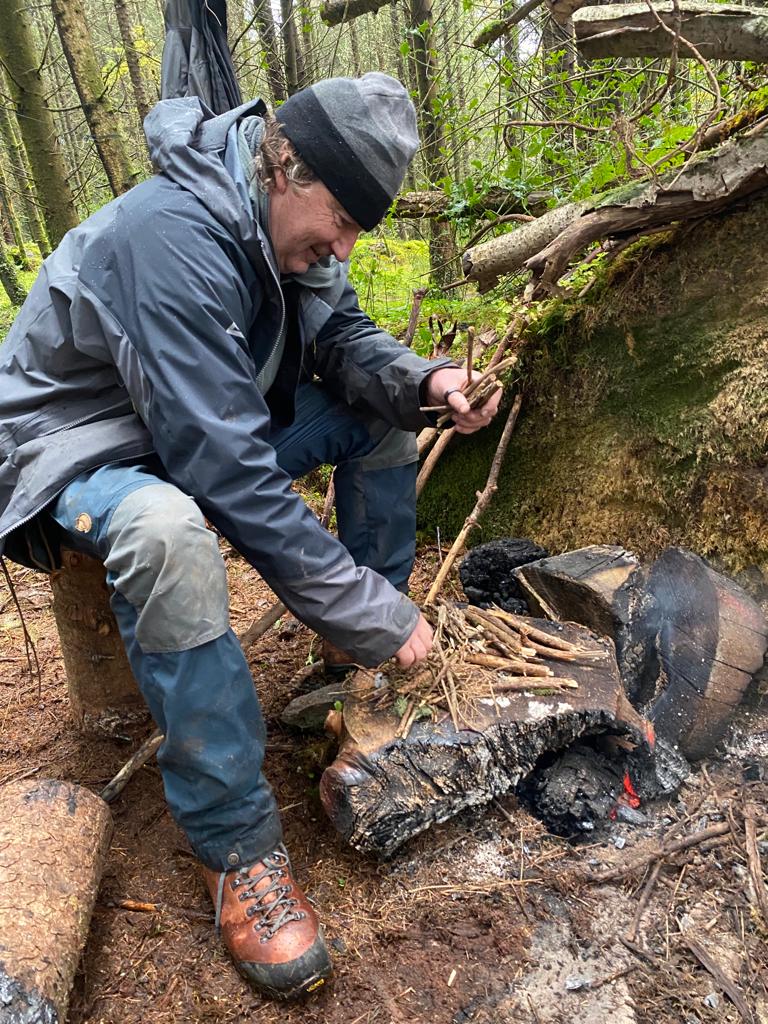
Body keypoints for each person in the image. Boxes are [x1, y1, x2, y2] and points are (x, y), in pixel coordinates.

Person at [0, 73, 500, 1000]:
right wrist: (373, 611)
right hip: (73, 448)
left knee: (383, 416)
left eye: (357, 233)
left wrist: (424, 381)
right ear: (285, 165)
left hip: (187, 425)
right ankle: (236, 847)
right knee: (167, 530)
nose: (341, 248)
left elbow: (343, 339)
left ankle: (338, 683)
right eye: (340, 223)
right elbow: (223, 469)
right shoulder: (169, 236)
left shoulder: (292, 232)